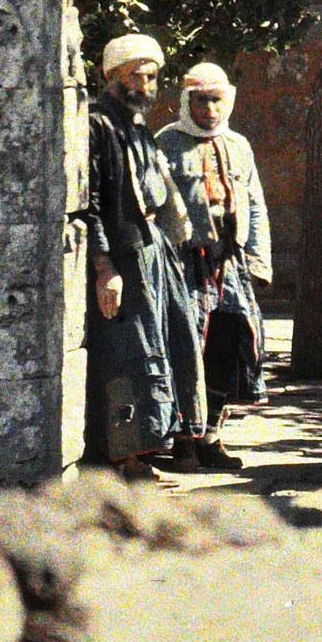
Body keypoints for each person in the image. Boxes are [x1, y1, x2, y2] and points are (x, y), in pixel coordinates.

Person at [81, 32, 207, 481]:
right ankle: (125, 460)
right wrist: (104, 268)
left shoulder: (136, 125)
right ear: (112, 75)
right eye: (135, 74)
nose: (144, 84)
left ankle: (161, 447)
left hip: (154, 251)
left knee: (172, 345)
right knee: (130, 352)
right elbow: (92, 203)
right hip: (126, 258)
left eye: (152, 76)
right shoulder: (98, 125)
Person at [156, 61, 272, 474]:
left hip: (230, 261)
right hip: (184, 263)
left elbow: (254, 203)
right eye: (200, 100)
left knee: (228, 344)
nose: (209, 109)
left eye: (216, 100)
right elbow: (154, 206)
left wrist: (258, 261)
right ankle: (182, 442)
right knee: (186, 347)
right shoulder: (166, 143)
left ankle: (211, 438)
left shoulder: (239, 145)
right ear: (186, 102)